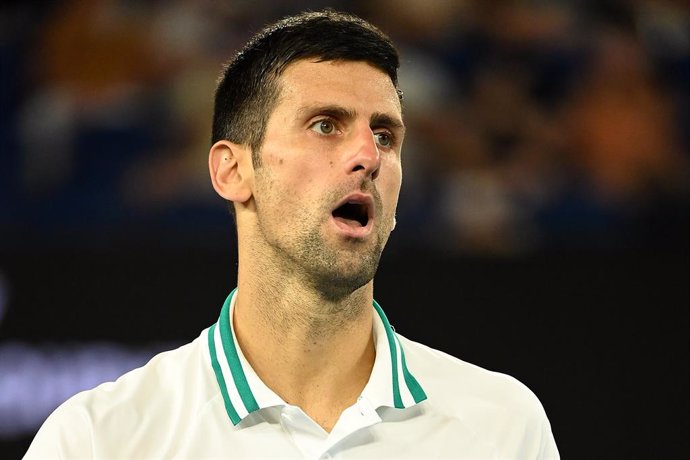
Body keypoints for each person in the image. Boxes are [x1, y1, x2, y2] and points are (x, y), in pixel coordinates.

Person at [24, 9, 559, 459]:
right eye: (326, 125)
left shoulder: (503, 428)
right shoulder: (99, 440)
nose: (368, 157)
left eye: (385, 135)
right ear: (233, 171)